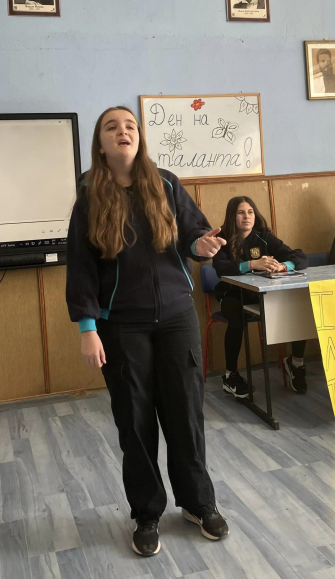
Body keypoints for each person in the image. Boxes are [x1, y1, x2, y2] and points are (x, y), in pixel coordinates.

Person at [65, 106, 229, 557]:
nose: (123, 131)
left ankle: (198, 502)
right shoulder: (89, 198)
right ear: (101, 144)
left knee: (186, 414)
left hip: (177, 318)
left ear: (139, 138)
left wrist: (201, 245)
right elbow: (80, 268)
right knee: (135, 423)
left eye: (130, 126)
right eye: (112, 127)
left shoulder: (167, 184)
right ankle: (147, 513)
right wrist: (87, 327)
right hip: (121, 325)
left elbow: (192, 233)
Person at [212, 197, 310, 395]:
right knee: (236, 316)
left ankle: (296, 363)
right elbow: (221, 268)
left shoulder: (264, 236)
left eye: (250, 212)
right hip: (233, 294)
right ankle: (230, 375)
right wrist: (251, 264)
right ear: (232, 216)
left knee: (298, 305)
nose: (247, 217)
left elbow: (299, 256)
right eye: (241, 212)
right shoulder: (222, 238)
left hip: (263, 293)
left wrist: (283, 266)